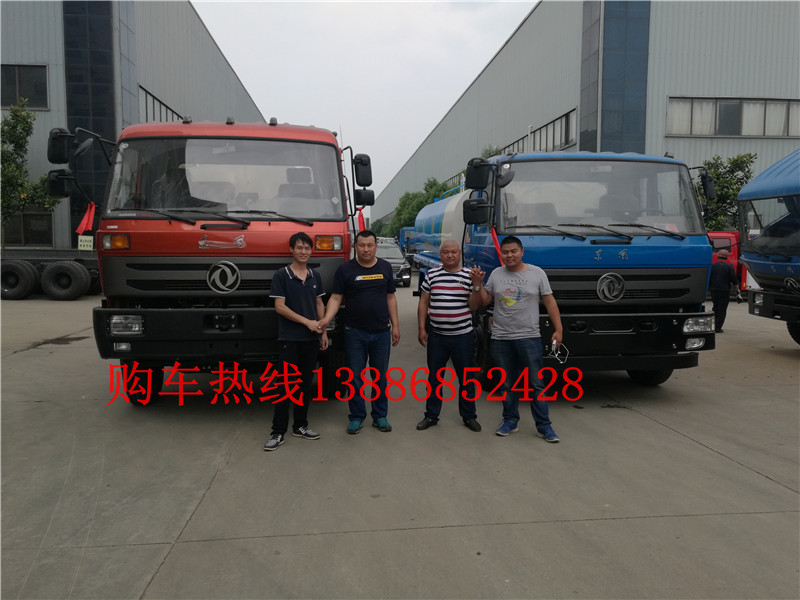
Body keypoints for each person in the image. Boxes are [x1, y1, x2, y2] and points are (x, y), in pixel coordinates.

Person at [470, 235, 564, 442]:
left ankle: (544, 426)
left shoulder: (537, 273)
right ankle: (510, 420)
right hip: (501, 338)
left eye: (513, 251)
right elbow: (485, 300)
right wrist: (477, 285)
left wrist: (558, 329)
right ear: (501, 254)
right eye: (505, 252)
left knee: (536, 384)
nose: (509, 255)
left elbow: (549, 301)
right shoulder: (496, 274)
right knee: (506, 383)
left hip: (529, 337)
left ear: (522, 252)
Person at [319, 230, 400, 434]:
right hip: (354, 332)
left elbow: (390, 297)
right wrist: (327, 319)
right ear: (355, 246)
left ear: (376, 247)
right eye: (362, 245)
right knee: (355, 377)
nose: (366, 249)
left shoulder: (385, 267)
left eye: (370, 245)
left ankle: (380, 416)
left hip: (381, 332)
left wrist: (396, 326)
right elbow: (336, 297)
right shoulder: (345, 269)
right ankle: (356, 417)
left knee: (380, 376)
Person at [264, 232, 329, 451]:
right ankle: (277, 432)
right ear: (291, 250)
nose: (303, 252)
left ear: (311, 251)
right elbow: (279, 307)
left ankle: (300, 426)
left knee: (304, 385)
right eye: (299, 248)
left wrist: (323, 331)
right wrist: (307, 322)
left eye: (307, 248)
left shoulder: (315, 276)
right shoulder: (281, 275)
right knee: (285, 386)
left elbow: (319, 303)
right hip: (289, 339)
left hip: (311, 340)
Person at [416, 240, 482, 432]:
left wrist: (477, 286)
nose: (450, 255)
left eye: (453, 252)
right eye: (446, 252)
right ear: (441, 254)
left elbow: (474, 305)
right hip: (437, 336)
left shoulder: (469, 275)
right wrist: (422, 328)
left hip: (463, 337)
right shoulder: (432, 275)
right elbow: (424, 302)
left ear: (459, 254)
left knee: (466, 379)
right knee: (435, 378)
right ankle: (431, 415)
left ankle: (469, 416)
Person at [709, 248, 740, 333]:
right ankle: (718, 328)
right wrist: (737, 291)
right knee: (722, 309)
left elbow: (708, 279)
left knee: (715, 307)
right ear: (726, 257)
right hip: (724, 291)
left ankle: (712, 326)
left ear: (718, 256)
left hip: (714, 291)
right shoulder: (729, 267)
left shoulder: (712, 266)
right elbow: (734, 280)